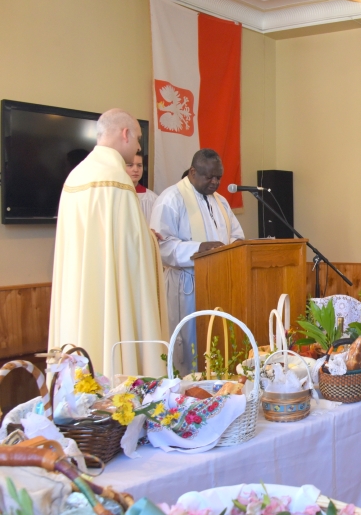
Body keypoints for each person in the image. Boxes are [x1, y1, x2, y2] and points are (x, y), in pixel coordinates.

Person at [49, 108, 167, 378]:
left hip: (78, 295)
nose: (139, 146)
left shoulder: (75, 178)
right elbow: (133, 249)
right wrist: (151, 239)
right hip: (112, 292)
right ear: (125, 134)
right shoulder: (118, 181)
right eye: (138, 138)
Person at [150, 148, 245, 376]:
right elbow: (160, 246)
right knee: (189, 346)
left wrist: (227, 247)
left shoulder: (221, 201)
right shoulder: (171, 199)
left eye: (219, 177)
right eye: (209, 177)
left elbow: (238, 237)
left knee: (217, 340)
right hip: (186, 286)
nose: (215, 182)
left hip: (220, 283)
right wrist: (198, 248)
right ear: (193, 172)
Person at [125, 150, 158, 224]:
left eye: (139, 165)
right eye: (130, 165)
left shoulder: (152, 199)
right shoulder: (115, 196)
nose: (136, 170)